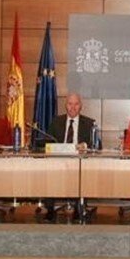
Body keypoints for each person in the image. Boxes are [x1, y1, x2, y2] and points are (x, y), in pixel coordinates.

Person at [41, 93, 96, 222]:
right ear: (66, 106)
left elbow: (97, 145)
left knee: (83, 171)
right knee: (48, 171)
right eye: (70, 104)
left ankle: (79, 208)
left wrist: (85, 145)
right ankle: (50, 210)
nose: (73, 107)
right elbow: (47, 143)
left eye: (76, 104)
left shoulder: (89, 123)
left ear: (80, 106)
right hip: (58, 160)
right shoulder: (56, 122)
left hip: (79, 161)